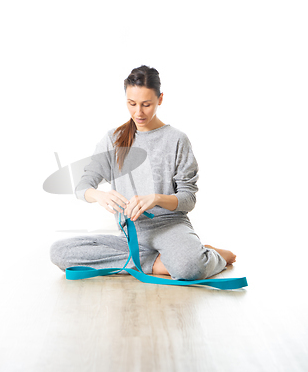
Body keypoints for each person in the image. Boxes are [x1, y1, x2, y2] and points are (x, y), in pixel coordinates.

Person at [50, 65, 236, 280]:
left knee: (190, 269)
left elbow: (188, 199)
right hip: (131, 235)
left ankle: (207, 256)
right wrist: (99, 195)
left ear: (160, 99)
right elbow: (82, 186)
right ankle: (158, 263)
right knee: (59, 252)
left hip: (171, 227)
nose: (138, 112)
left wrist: (156, 199)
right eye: (132, 104)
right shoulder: (113, 139)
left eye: (146, 104)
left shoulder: (177, 140)